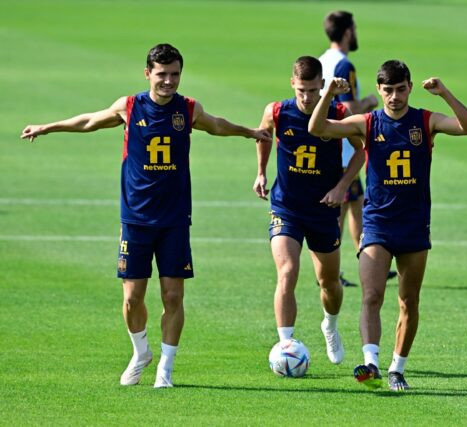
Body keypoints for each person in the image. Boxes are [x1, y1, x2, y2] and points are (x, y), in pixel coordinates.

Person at [20, 44, 271, 388]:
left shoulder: (188, 108)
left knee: (172, 296)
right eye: (162, 74)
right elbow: (89, 121)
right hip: (136, 218)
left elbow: (216, 125)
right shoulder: (130, 106)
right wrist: (47, 127)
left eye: (175, 74)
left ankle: (165, 369)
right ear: (148, 74)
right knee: (131, 298)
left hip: (174, 219)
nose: (169, 81)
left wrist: (249, 132)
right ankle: (141, 352)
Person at [309, 60, 467, 391]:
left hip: (414, 225)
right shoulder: (368, 123)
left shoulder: (425, 121)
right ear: (379, 90)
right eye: (388, 90)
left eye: (401, 90)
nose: (395, 97)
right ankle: (370, 362)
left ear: (410, 88)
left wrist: (445, 93)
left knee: (408, 301)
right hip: (377, 224)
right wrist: (327, 92)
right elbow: (318, 128)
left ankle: (397, 368)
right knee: (371, 295)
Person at [252, 56, 365, 364]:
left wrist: (342, 187)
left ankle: (330, 324)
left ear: (322, 86)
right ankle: (286, 347)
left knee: (329, 281)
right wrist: (261, 171)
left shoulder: (338, 112)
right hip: (286, 206)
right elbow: (263, 136)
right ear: (293, 84)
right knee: (287, 272)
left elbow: (361, 151)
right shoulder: (277, 111)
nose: (306, 97)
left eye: (313, 90)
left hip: (324, 209)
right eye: (301, 90)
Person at [318, 11, 382, 287]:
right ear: (346, 32)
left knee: (357, 203)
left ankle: (366, 258)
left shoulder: (322, 60)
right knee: (341, 208)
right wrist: (369, 102)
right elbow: (348, 109)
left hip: (330, 143)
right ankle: (331, 271)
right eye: (354, 28)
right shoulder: (344, 65)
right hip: (343, 148)